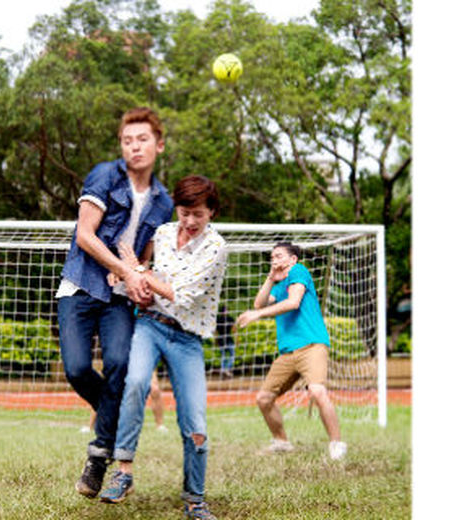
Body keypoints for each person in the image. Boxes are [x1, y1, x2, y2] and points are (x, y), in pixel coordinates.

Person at [56, 107, 174, 498]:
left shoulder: (163, 201)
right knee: (76, 369)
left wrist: (138, 276)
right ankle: (119, 416)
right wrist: (121, 268)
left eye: (142, 140)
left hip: (119, 297)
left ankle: (98, 456)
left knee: (120, 364)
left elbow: (145, 257)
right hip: (81, 284)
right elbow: (85, 235)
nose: (134, 147)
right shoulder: (104, 175)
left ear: (158, 145)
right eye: (127, 140)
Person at [99, 175, 227, 520]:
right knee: (136, 383)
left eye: (198, 214)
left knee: (195, 422)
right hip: (150, 325)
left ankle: (195, 499)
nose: (190, 221)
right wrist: (133, 278)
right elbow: (145, 282)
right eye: (184, 212)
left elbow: (179, 294)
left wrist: (137, 270)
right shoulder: (163, 234)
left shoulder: (216, 247)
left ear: (212, 212)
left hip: (187, 338)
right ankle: (123, 472)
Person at [236, 242, 347, 461]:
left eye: (278, 256)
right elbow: (259, 303)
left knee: (317, 391)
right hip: (288, 353)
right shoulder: (279, 286)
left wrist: (258, 315)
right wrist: (270, 278)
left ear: (293, 259)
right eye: (272, 257)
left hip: (311, 346)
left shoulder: (299, 271)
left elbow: (293, 302)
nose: (274, 260)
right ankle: (281, 442)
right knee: (264, 399)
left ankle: (336, 444)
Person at [82, 370, 167, 433]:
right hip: (121, 362)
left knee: (155, 389)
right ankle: (90, 426)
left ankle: (160, 425)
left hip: (139, 364)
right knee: (104, 389)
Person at [216, 305, 236, 379]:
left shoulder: (218, 319)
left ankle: (223, 370)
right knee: (232, 355)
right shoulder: (230, 318)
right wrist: (237, 339)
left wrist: (216, 341)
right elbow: (234, 330)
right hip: (228, 339)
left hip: (221, 339)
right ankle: (227, 369)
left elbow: (216, 331)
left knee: (224, 356)